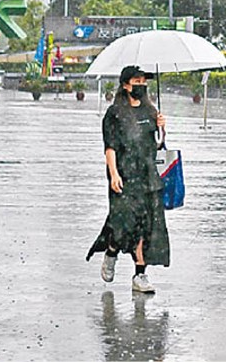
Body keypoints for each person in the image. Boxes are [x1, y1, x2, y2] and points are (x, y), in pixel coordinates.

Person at [87, 66, 170, 293]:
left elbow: (158, 146)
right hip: (124, 177)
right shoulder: (115, 113)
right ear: (125, 84)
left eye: (144, 81)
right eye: (137, 80)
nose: (141, 85)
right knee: (123, 224)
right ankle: (111, 251)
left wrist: (162, 128)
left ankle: (140, 274)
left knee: (145, 226)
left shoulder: (151, 112)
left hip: (147, 178)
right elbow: (110, 147)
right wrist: (114, 174)